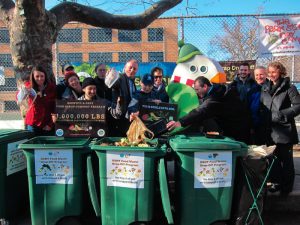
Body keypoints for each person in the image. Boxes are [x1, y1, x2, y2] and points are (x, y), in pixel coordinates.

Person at [167, 76, 251, 144]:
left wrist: (180, 122)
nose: (196, 92)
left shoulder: (215, 97)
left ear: (205, 86)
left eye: (197, 89)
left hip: (237, 129)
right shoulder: (218, 90)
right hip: (233, 126)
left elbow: (201, 111)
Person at [260, 61, 300, 195]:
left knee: (286, 161)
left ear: (281, 72)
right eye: (269, 72)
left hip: (284, 130)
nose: (271, 75)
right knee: (273, 160)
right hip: (269, 130)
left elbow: (297, 106)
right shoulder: (265, 87)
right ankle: (277, 183)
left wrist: (282, 115)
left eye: (274, 72)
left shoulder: (289, 87)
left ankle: (287, 187)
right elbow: (262, 105)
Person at [23, 66, 56, 135]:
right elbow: (19, 96)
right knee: (32, 144)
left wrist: (51, 124)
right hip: (33, 123)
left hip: (47, 123)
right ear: (33, 77)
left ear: (45, 76)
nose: (40, 78)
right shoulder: (28, 87)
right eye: (37, 76)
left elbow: (55, 108)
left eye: (42, 76)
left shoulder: (51, 88)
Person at [111, 59, 139, 136]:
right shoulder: (120, 78)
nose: (132, 70)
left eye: (135, 68)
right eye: (130, 67)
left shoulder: (132, 81)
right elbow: (113, 84)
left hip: (128, 118)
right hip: (119, 119)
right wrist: (110, 78)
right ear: (125, 67)